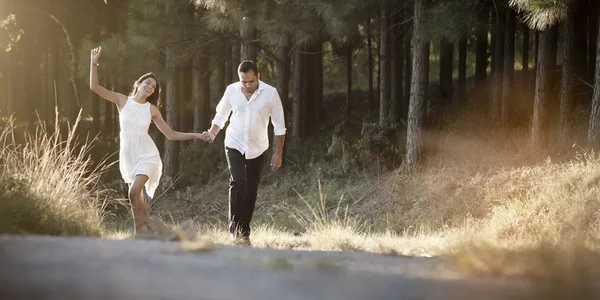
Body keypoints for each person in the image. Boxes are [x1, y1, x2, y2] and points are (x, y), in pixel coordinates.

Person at [89, 46, 208, 235]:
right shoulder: (122, 101)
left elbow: (170, 134)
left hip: (146, 154)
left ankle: (139, 233)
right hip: (128, 154)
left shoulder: (152, 110)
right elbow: (95, 87)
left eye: (153, 87)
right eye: (148, 82)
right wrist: (94, 62)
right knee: (138, 197)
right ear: (139, 83)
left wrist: (196, 135)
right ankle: (151, 229)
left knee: (133, 192)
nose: (150, 87)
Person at [204, 60, 286, 246]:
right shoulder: (231, 90)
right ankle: (234, 230)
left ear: (258, 76)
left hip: (258, 147)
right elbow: (221, 115)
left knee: (251, 188)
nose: (247, 85)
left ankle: (244, 231)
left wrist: (278, 153)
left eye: (250, 81)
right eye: (243, 82)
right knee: (238, 181)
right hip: (234, 143)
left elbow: (279, 126)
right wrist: (212, 133)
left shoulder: (271, 93)